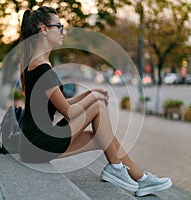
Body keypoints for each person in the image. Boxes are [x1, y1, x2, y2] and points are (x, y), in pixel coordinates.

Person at [18, 6, 172, 197]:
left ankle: (140, 178)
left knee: (101, 136)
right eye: (59, 26)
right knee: (98, 106)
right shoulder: (41, 68)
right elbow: (69, 112)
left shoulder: (38, 63)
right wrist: (94, 98)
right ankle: (116, 169)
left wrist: (89, 93)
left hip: (34, 145)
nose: (62, 31)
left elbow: (60, 104)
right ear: (43, 29)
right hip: (39, 144)